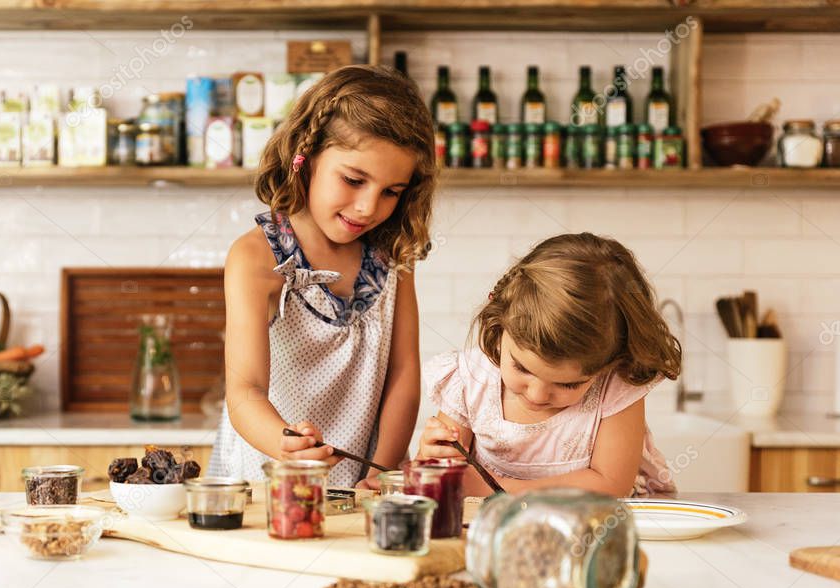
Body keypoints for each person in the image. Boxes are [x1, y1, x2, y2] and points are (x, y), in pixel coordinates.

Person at [209, 64, 437, 487]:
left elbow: (404, 377)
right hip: (273, 478)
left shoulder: (392, 257)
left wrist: (379, 473)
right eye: (353, 179)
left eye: (391, 191)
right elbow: (245, 393)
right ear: (305, 157)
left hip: (368, 478)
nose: (369, 207)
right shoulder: (255, 259)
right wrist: (285, 444)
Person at [418, 232, 682, 497]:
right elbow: (434, 479)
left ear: (609, 364)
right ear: (499, 328)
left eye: (567, 383)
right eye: (522, 368)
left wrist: (492, 488)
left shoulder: (615, 387)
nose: (537, 394)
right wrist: (432, 461)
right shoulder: (470, 380)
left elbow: (611, 486)